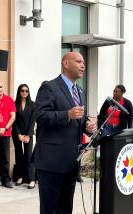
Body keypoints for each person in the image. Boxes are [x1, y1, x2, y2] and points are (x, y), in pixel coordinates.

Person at [34, 52, 96, 213]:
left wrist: (87, 125)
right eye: (79, 61)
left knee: (65, 208)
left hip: (71, 161)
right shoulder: (50, 87)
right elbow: (40, 116)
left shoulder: (80, 91)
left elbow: (79, 118)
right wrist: (66, 114)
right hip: (51, 161)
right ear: (66, 64)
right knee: (50, 209)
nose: (83, 65)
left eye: (84, 62)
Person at [12, 84, 36, 189]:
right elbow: (14, 121)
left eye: (26, 91)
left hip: (28, 134)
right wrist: (18, 134)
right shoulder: (14, 104)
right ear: (19, 92)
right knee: (19, 155)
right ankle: (20, 176)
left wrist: (28, 135)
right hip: (17, 134)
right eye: (22, 90)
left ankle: (31, 179)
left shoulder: (33, 104)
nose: (24, 92)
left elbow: (32, 121)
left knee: (28, 155)